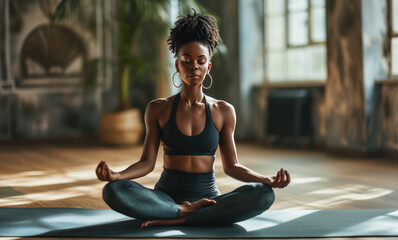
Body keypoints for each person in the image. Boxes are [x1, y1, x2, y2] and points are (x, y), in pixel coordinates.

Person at [95, 10, 290, 228]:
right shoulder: (157, 109)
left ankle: (179, 218)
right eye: (186, 60)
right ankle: (183, 212)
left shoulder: (223, 111)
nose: (193, 66)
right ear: (177, 64)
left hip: (209, 200)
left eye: (200, 60)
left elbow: (232, 166)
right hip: (165, 198)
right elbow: (146, 163)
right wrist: (117, 175)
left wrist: (266, 180)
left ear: (209, 66)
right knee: (113, 190)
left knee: (263, 195)